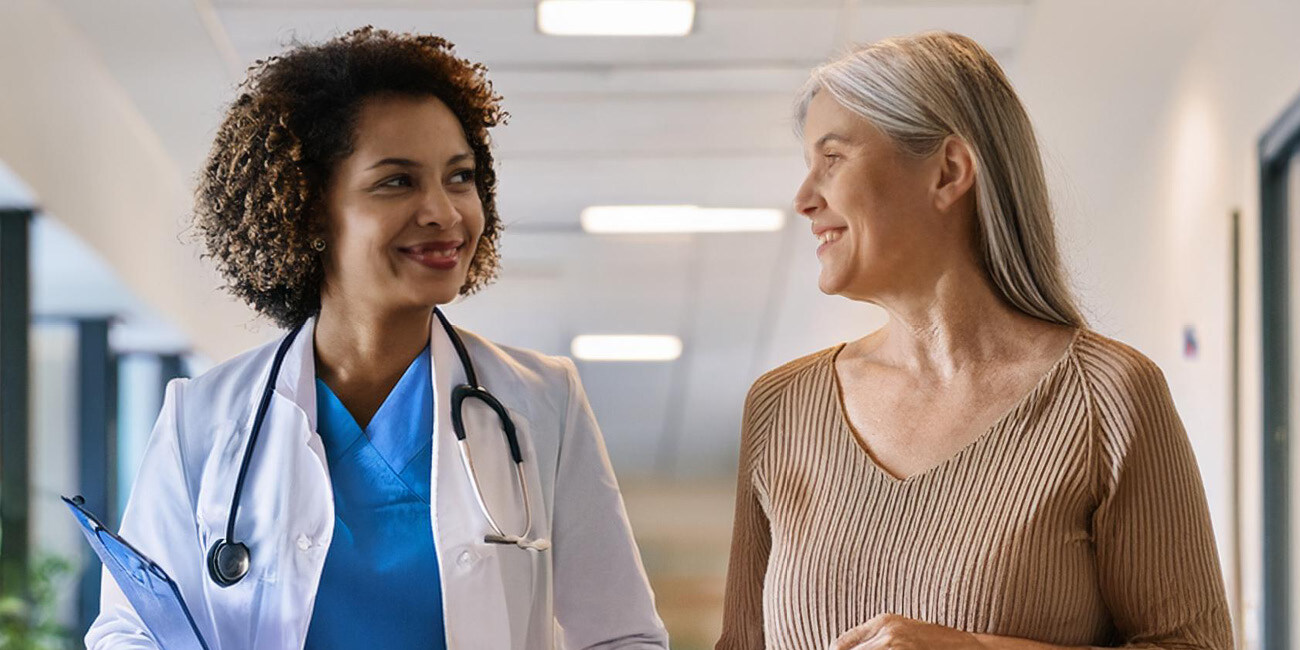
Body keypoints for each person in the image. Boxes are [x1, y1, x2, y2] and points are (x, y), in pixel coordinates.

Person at [87, 27, 667, 650]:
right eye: (397, 181)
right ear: (308, 208)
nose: (445, 212)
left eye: (460, 176)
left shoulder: (542, 400)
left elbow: (621, 635)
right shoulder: (202, 417)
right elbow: (130, 631)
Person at [716, 31, 1232, 650]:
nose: (803, 199)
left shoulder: (1107, 396)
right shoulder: (781, 407)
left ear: (949, 171)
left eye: (833, 158)